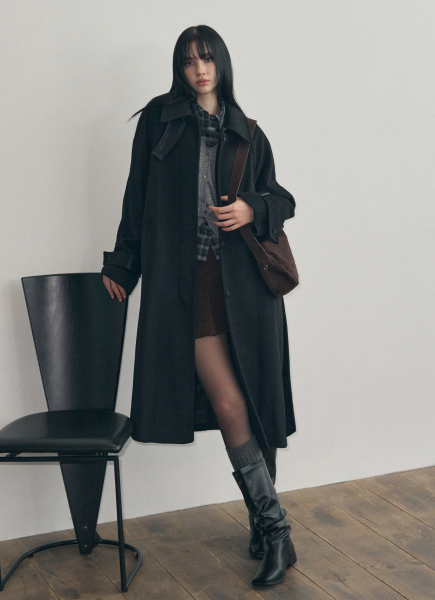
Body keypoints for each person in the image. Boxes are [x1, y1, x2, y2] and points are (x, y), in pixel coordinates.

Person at [102, 25, 297, 587]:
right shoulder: (159, 121)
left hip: (247, 288)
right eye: (189, 61)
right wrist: (123, 265)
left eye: (208, 59)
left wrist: (252, 208)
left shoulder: (247, 131)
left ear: (222, 64)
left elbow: (283, 200)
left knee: (257, 404)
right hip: (188, 286)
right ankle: (278, 532)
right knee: (230, 403)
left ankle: (263, 528)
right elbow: (137, 197)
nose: (200, 69)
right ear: (179, 69)